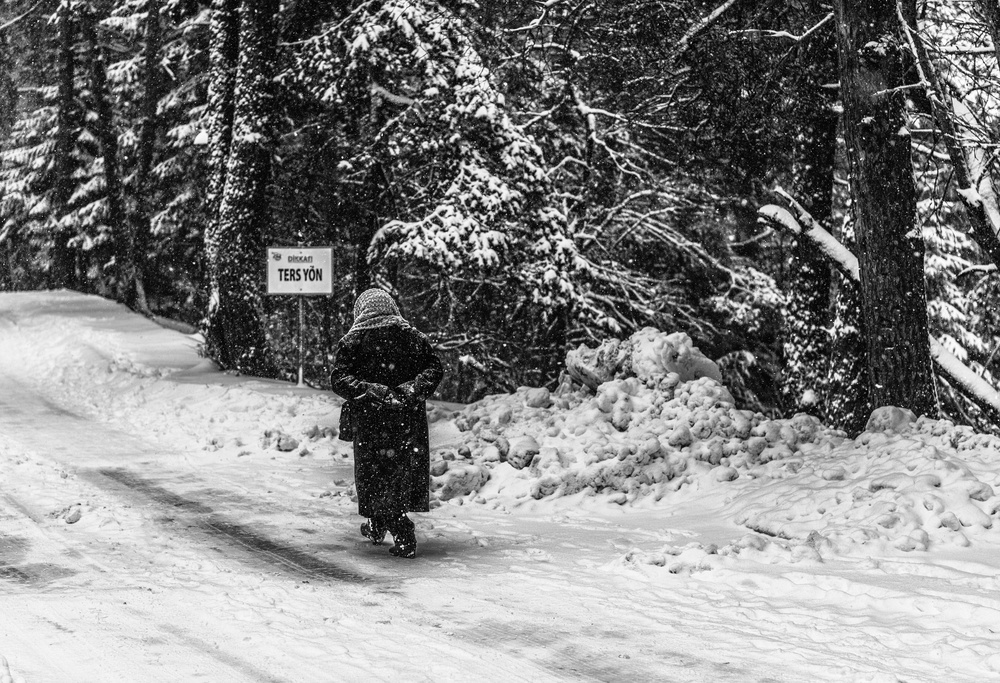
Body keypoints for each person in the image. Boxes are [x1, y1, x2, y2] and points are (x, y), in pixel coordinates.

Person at [330, 288, 443, 559]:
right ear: (392, 308)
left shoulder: (354, 341)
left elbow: (339, 379)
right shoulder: (413, 337)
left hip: (372, 421)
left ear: (361, 311)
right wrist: (410, 390)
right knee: (400, 473)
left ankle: (402, 530)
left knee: (375, 476)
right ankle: (377, 524)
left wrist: (372, 391)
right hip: (407, 421)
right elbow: (434, 369)